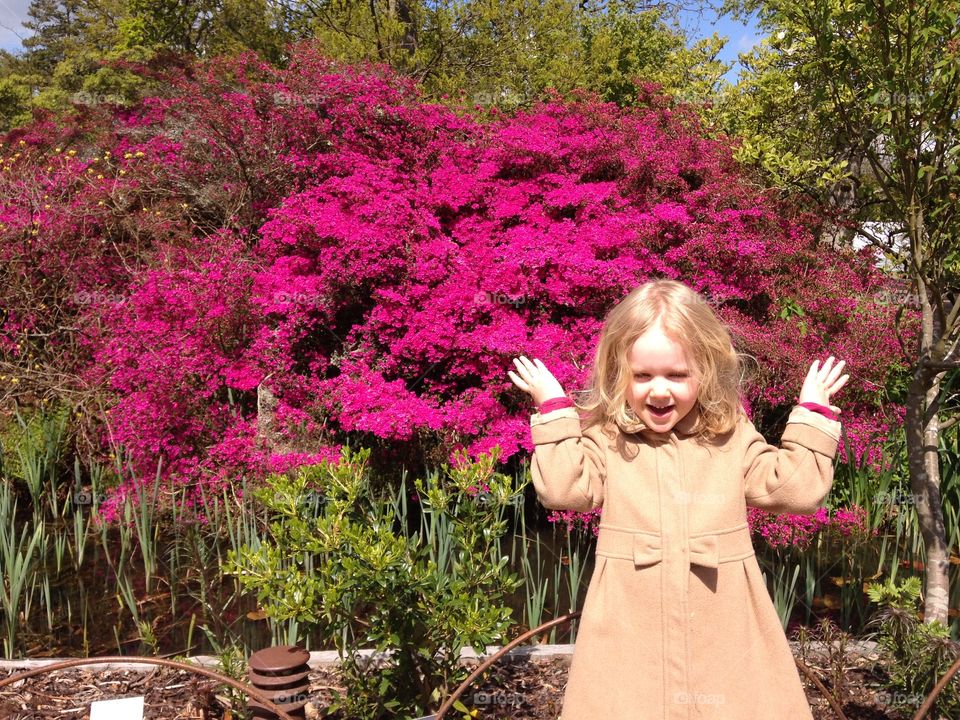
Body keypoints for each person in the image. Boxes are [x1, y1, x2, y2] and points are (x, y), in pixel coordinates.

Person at [507, 279, 849, 720]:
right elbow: (563, 490)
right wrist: (555, 410)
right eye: (643, 375)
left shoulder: (729, 434)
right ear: (618, 373)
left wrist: (811, 415)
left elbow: (795, 489)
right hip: (629, 629)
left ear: (705, 371)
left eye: (677, 374)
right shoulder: (607, 439)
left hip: (723, 624)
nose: (660, 390)